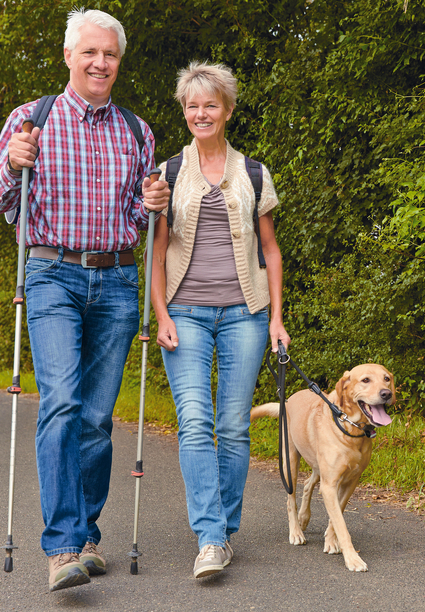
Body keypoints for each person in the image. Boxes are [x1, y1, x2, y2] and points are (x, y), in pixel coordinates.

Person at [0, 8, 170, 592]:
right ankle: (62, 547)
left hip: (115, 281)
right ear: (69, 56)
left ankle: (87, 535)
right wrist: (14, 166)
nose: (100, 63)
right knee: (61, 402)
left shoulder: (137, 131)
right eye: (90, 52)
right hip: (51, 275)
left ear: (119, 61)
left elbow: (139, 218)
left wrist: (156, 200)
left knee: (95, 418)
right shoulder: (30, 119)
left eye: (109, 54)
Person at [150, 61, 290, 579]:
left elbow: (271, 251)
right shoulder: (167, 173)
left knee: (232, 427)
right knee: (193, 421)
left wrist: (276, 318)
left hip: (245, 316)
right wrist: (160, 312)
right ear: (184, 112)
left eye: (211, 104)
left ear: (227, 110)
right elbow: (157, 253)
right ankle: (210, 536)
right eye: (192, 106)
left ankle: (222, 531)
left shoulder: (253, 173)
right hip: (184, 313)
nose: (201, 113)